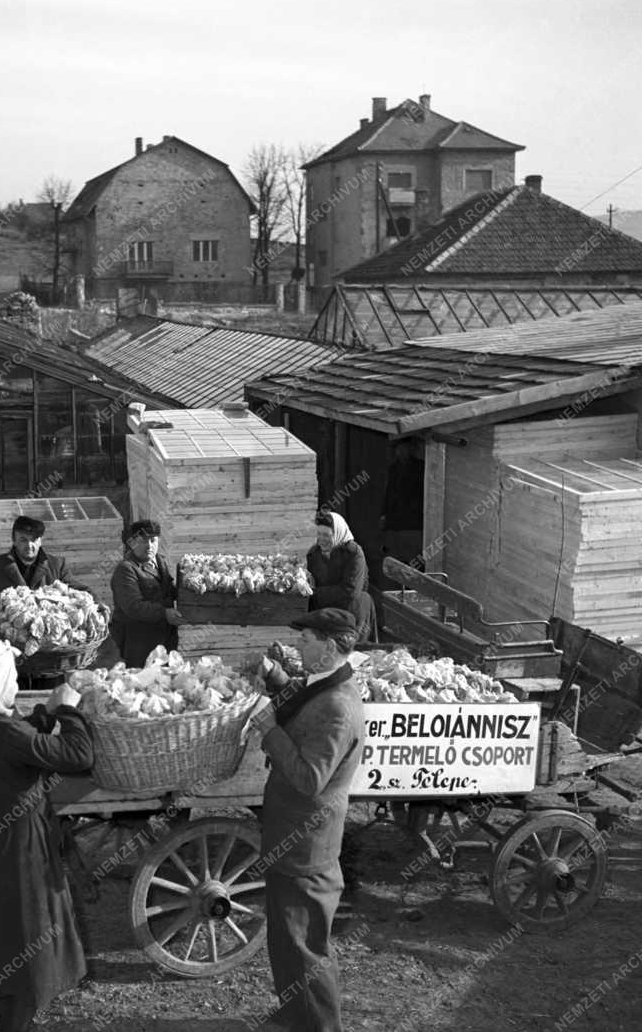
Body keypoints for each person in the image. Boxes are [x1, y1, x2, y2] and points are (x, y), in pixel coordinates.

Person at [0, 637, 93, 1032]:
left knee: (2, 938)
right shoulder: (7, 735)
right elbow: (79, 756)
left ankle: (14, 1021)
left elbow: (15, 739)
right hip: (21, 849)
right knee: (29, 939)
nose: (17, 682)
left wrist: (43, 717)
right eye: (12, 677)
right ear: (2, 684)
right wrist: (68, 711)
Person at [248, 608, 366, 1032]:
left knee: (305, 946)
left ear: (329, 646)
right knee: (285, 938)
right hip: (292, 836)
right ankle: (295, 1015)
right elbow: (301, 703)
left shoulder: (339, 707)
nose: (299, 645)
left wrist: (269, 730)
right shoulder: (325, 684)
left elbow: (310, 779)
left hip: (306, 844)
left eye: (307, 639)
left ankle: (321, 1026)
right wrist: (276, 677)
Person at [0, 514, 88, 690]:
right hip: (12, 650)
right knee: (13, 696)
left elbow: (76, 588)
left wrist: (96, 602)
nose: (30, 545)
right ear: (14, 541)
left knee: (50, 697)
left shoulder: (56, 565)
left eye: (34, 539)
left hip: (49, 656)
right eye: (23, 540)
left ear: (40, 540)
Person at [109, 519, 183, 668]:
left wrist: (189, 591)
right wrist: (165, 613)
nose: (149, 546)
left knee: (167, 678)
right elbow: (133, 607)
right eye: (143, 541)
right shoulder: (126, 570)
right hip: (140, 642)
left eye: (153, 540)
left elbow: (168, 590)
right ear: (132, 543)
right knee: (142, 678)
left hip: (166, 638)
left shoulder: (160, 561)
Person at [306, 511, 376, 643]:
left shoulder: (354, 553)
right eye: (319, 534)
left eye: (326, 535)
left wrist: (314, 592)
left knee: (352, 652)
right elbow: (311, 584)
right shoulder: (313, 554)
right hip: (325, 613)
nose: (321, 539)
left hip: (353, 612)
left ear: (338, 533)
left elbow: (351, 591)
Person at [379, 439, 425, 571]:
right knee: (396, 559)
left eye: (404, 448)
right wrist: (384, 514)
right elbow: (389, 493)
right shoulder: (394, 469)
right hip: (395, 522)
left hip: (413, 523)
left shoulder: (420, 468)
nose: (401, 452)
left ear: (411, 449)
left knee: (414, 561)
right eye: (399, 449)